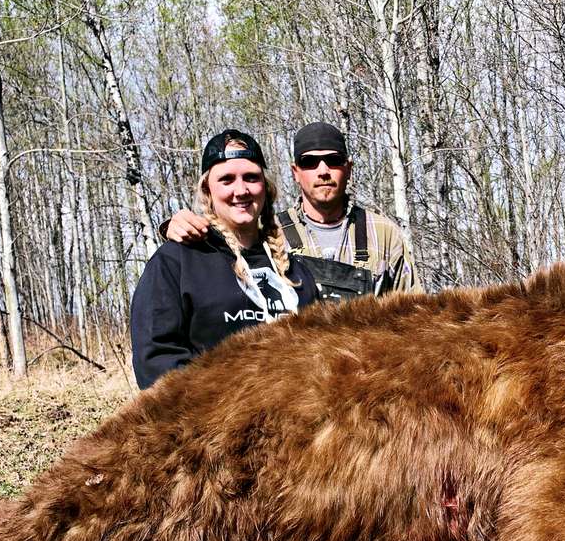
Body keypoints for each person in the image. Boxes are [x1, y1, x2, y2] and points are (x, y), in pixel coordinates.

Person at [130, 129, 317, 389]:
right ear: (208, 189)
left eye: (251, 178)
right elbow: (157, 362)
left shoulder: (296, 273)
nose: (240, 190)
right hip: (216, 424)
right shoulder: (177, 262)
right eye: (227, 180)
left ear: (266, 187)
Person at [165, 121, 420, 302]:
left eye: (333, 160)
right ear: (295, 172)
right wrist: (172, 226)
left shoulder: (383, 234)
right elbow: (218, 253)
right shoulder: (268, 233)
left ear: (348, 168)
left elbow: (414, 314)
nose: (323, 170)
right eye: (310, 162)